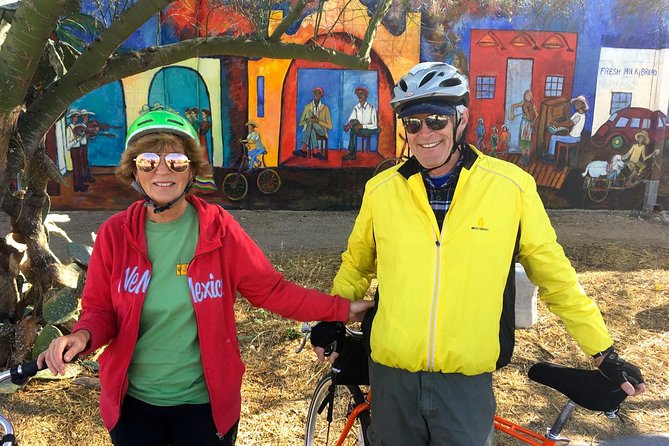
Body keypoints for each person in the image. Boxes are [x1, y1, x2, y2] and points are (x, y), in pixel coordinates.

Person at [316, 62, 645, 446]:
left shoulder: (511, 188)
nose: (424, 134)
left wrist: (602, 352)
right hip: (392, 378)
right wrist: (332, 317)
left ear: (461, 119)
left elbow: (557, 279)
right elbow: (356, 264)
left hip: (465, 384)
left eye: (436, 120)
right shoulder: (382, 190)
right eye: (412, 122)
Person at [38, 110, 373, 446]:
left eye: (177, 161)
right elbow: (100, 311)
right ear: (134, 170)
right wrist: (81, 337)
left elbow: (272, 290)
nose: (162, 170)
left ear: (192, 169)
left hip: (205, 406)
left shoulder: (218, 229)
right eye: (148, 161)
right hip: (133, 405)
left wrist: (343, 309)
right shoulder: (116, 234)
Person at [293, 86, 332, 160]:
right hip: (311, 130)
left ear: (321, 95)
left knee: (311, 123)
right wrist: (308, 119)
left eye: (319, 93)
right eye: (315, 93)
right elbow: (301, 123)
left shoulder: (325, 108)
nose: (316, 95)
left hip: (321, 131)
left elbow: (329, 126)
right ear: (313, 94)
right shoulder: (307, 107)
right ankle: (316, 152)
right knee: (311, 127)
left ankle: (303, 149)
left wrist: (318, 121)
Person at [547, 95, 588, 162]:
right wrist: (558, 124)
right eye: (575, 103)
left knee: (553, 137)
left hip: (573, 138)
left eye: (578, 103)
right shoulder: (578, 114)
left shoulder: (579, 116)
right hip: (574, 136)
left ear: (582, 105)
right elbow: (568, 122)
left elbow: (569, 124)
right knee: (559, 131)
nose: (576, 104)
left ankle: (550, 157)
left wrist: (557, 124)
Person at [343, 86, 379, 160]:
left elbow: (374, 125)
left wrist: (362, 126)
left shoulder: (371, 108)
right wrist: (349, 125)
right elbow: (352, 119)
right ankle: (352, 154)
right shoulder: (356, 108)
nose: (359, 96)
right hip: (360, 129)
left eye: (361, 93)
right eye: (358, 94)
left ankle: (352, 154)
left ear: (366, 95)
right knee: (353, 128)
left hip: (370, 129)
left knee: (354, 129)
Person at [509, 89, 538, 165]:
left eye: (530, 95)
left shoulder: (532, 105)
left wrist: (533, 121)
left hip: (529, 125)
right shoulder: (523, 103)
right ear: (525, 96)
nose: (529, 97)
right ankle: (523, 158)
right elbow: (512, 106)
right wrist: (512, 114)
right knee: (522, 142)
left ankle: (527, 160)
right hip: (524, 124)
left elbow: (537, 115)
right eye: (527, 95)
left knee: (528, 143)